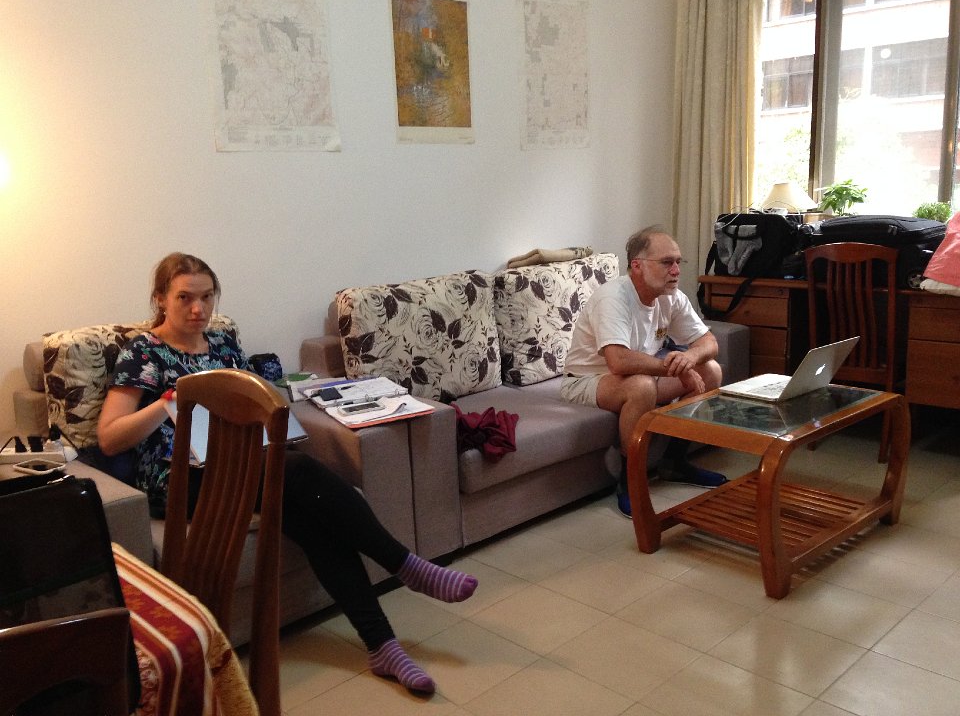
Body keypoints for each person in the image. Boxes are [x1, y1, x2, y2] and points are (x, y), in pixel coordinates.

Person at [97, 252, 478, 695]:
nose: (198, 309)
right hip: (178, 478)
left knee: (314, 520)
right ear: (161, 298)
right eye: (185, 297)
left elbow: (247, 406)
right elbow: (109, 438)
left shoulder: (223, 346)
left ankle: (382, 646)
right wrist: (168, 403)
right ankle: (404, 564)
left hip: (238, 460)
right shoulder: (142, 353)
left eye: (207, 297)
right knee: (297, 470)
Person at [561, 226, 727, 518]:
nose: (676, 270)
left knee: (710, 371)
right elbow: (618, 361)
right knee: (641, 386)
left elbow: (709, 343)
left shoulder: (670, 296)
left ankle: (674, 462)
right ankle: (630, 481)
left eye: (678, 262)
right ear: (637, 266)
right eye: (666, 262)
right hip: (587, 380)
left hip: (639, 376)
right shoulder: (613, 298)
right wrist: (673, 368)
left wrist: (688, 359)